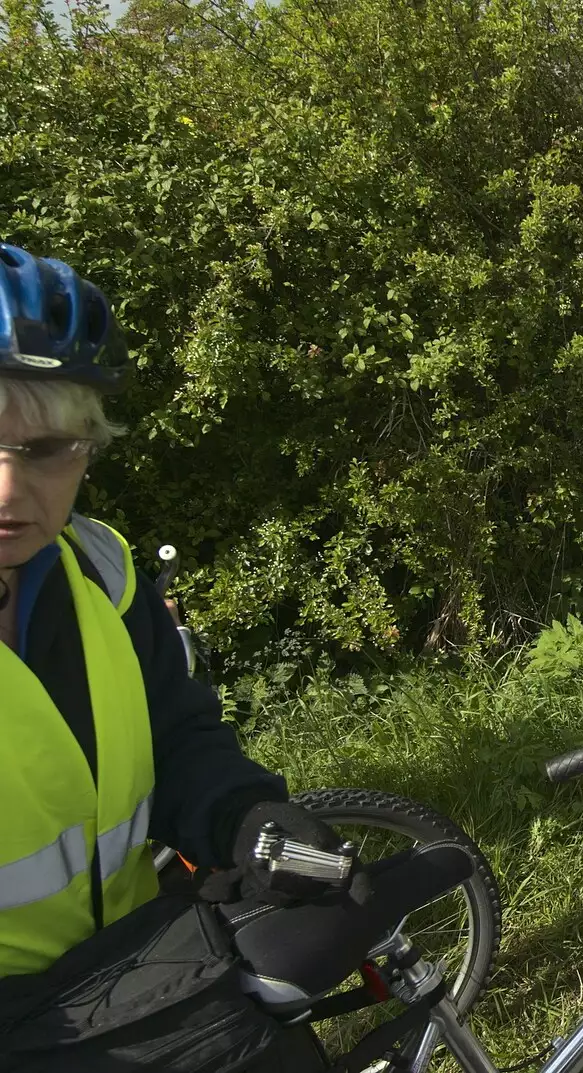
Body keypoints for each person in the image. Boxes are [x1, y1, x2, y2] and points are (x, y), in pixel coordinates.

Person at [0, 243, 336, 982]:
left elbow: (175, 734)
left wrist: (243, 818)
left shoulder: (103, 572)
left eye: (47, 449)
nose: (7, 491)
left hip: (126, 972)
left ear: (89, 448)